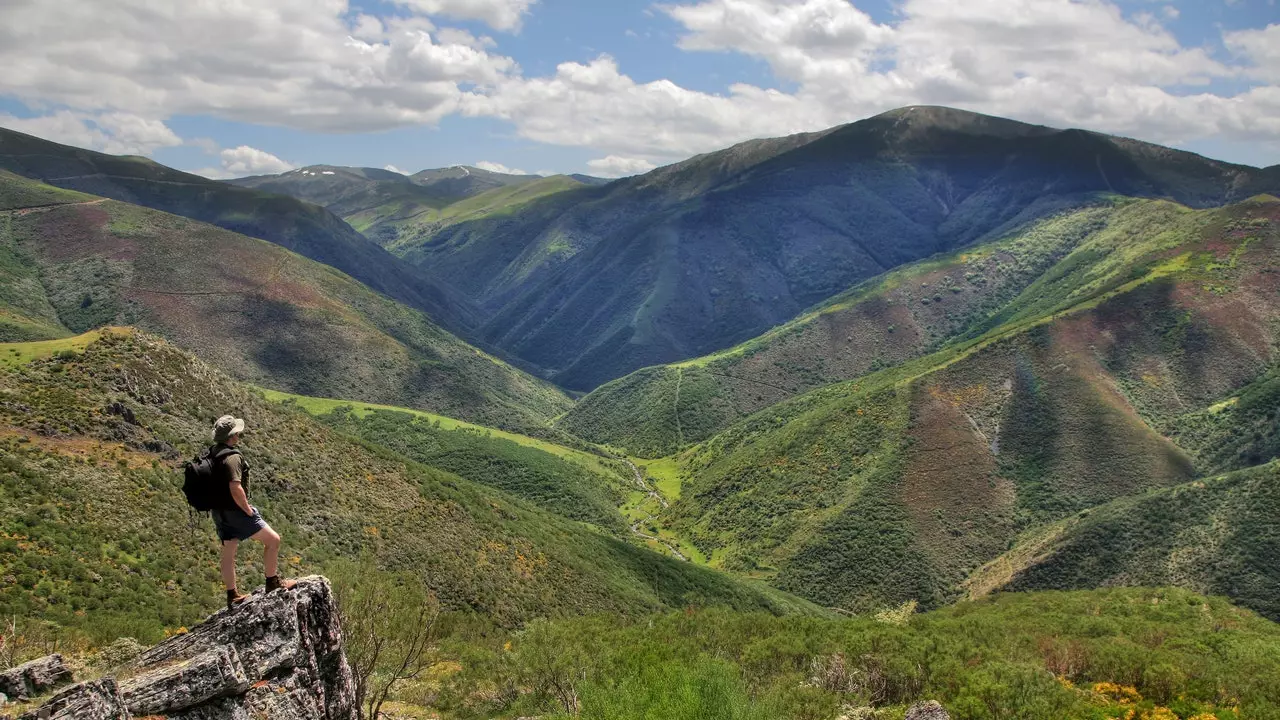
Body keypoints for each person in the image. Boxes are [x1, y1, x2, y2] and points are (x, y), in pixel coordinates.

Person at [208, 415, 295, 610]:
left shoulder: (213, 452)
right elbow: (235, 487)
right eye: (237, 432)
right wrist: (247, 510)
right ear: (233, 436)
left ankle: (232, 595)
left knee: (228, 550)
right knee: (273, 540)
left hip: (219, 511)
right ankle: (272, 582)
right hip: (235, 511)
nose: (239, 434)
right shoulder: (232, 457)